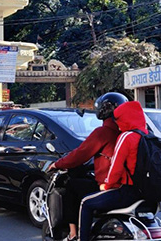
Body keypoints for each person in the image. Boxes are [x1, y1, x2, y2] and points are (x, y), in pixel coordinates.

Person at [46, 92, 126, 241]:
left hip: (110, 186)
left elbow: (80, 154)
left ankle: (74, 234)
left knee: (72, 187)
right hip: (131, 186)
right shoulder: (128, 132)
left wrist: (57, 164)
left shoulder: (104, 132)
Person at [78, 101, 148, 241]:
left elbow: (115, 168)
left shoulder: (126, 137)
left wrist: (106, 185)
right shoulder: (148, 136)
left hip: (127, 192)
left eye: (119, 120)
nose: (118, 124)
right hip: (146, 192)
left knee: (86, 203)